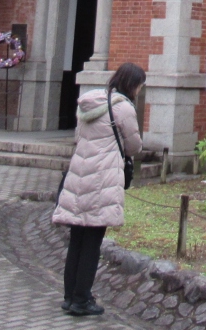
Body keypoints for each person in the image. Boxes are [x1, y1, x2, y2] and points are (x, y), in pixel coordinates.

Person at [52, 62, 144, 316]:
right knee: (92, 243)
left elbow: (78, 137)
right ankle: (82, 300)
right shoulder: (123, 108)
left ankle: (70, 296)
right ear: (132, 84)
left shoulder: (89, 102)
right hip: (101, 181)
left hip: (78, 177)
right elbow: (134, 146)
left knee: (77, 241)